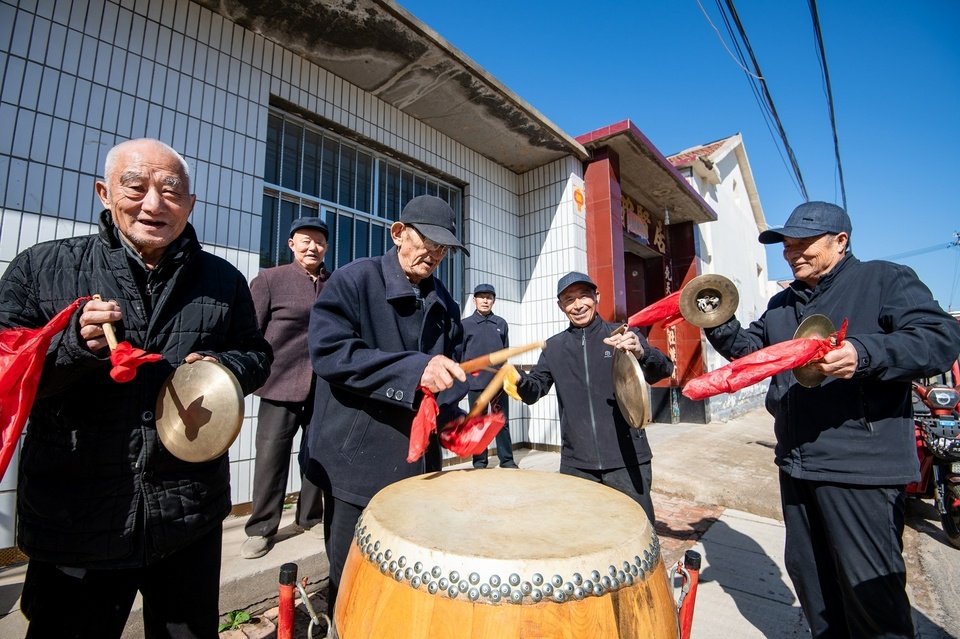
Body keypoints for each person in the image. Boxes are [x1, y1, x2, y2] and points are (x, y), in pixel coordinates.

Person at [0, 138, 272, 638]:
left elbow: (258, 354)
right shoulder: (41, 268)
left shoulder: (223, 279)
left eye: (171, 191)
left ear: (190, 205)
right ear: (105, 193)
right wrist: (71, 346)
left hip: (188, 510)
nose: (153, 204)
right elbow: (5, 372)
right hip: (77, 516)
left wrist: (225, 366)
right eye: (136, 186)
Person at [703, 201, 960, 638]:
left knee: (869, 593)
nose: (792, 252)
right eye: (787, 245)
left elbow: (940, 339)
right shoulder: (783, 303)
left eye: (804, 243)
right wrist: (716, 319)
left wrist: (864, 353)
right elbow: (753, 354)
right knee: (812, 581)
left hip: (860, 468)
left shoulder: (882, 279)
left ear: (841, 241)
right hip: (797, 464)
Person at [302, 194, 469, 613]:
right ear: (398, 233)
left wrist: (455, 422)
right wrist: (413, 371)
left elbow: (444, 376)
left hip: (417, 467)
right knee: (353, 583)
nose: (434, 254)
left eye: (444, 248)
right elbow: (330, 352)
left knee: (405, 581)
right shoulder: (355, 280)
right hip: (356, 459)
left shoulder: (445, 303)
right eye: (427, 241)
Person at [515, 272, 673, 524]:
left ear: (596, 297)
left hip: (627, 458)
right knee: (582, 535)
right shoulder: (554, 347)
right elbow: (534, 391)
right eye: (569, 299)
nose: (577, 305)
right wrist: (518, 380)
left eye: (583, 296)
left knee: (636, 532)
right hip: (577, 463)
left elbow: (664, 370)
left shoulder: (621, 335)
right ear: (560, 306)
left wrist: (641, 352)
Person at [240, 217, 331, 559]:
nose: (313, 247)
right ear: (291, 244)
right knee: (270, 458)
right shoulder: (270, 280)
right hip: (280, 384)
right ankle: (261, 528)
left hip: (323, 386)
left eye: (319, 242)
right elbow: (250, 332)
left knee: (316, 454)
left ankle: (310, 516)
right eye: (305, 240)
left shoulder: (334, 284)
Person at [462, 283, 518, 469]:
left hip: (498, 383)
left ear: (494, 300)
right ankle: (479, 461)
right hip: (475, 383)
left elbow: (505, 352)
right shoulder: (465, 325)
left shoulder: (500, 323)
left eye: (489, 297)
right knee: (477, 423)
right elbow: (460, 355)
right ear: (474, 300)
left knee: (501, 421)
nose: (485, 300)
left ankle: (507, 460)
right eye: (481, 297)